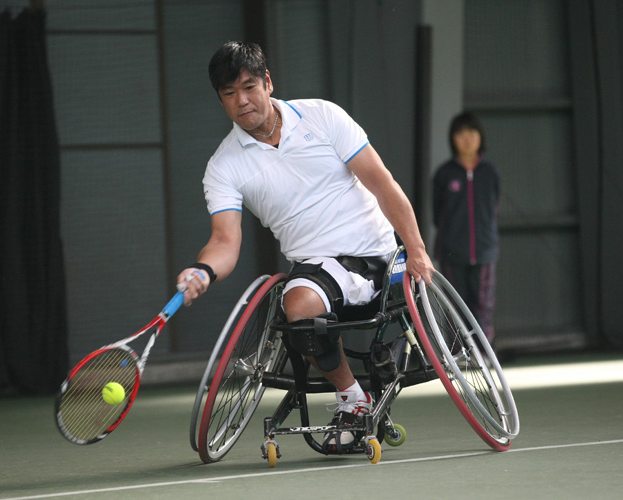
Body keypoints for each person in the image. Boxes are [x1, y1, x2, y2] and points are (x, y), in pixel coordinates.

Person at [177, 41, 434, 452]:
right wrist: (203, 270)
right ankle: (352, 398)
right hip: (320, 268)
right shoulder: (223, 167)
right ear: (221, 100)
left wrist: (416, 248)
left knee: (307, 297)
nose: (242, 101)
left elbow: (382, 183)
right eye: (229, 94)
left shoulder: (322, 116)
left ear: (268, 82)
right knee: (297, 308)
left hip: (380, 255)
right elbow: (225, 241)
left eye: (248, 87)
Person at [432, 111, 500, 346]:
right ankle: (459, 354)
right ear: (453, 139)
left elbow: (494, 207)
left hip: (484, 251)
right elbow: (436, 214)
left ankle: (484, 353)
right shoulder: (444, 174)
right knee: (454, 305)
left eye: (472, 132)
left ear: (480, 136)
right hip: (452, 253)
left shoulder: (490, 173)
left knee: (484, 304)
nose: (467, 138)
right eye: (461, 134)